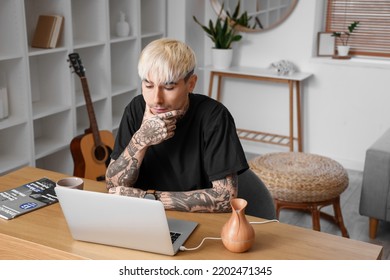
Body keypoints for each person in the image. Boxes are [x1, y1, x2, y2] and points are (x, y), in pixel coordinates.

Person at [105, 38, 248, 213]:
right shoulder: (136, 108)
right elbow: (112, 185)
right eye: (148, 85)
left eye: (169, 88)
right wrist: (141, 140)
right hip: (140, 216)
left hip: (198, 220)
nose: (156, 99)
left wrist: (149, 198)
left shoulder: (214, 116)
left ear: (191, 84)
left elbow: (226, 198)